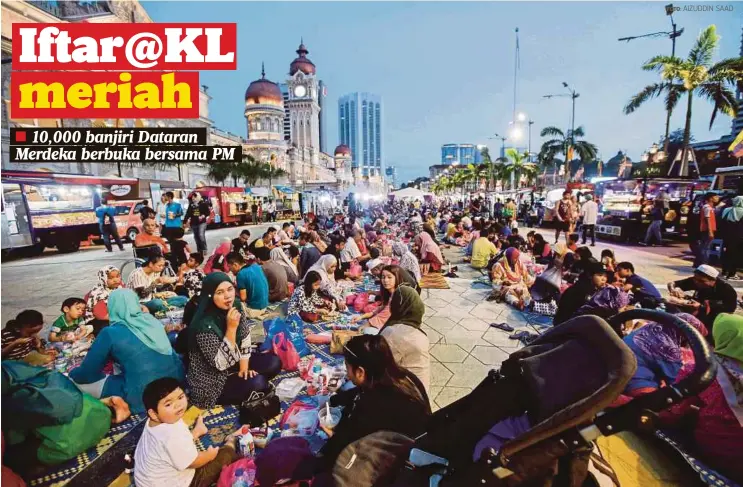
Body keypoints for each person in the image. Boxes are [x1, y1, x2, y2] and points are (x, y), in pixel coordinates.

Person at [316, 334, 431, 471]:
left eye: (347, 368)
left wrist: (332, 436)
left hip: (402, 461)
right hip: (423, 441)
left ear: (360, 372)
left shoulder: (371, 407)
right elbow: (356, 393)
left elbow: (346, 446)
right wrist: (333, 400)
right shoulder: (403, 376)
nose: (347, 374)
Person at [69, 289, 185, 414]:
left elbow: (86, 374)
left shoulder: (110, 333)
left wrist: (72, 373)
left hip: (142, 397)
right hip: (176, 384)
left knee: (75, 382)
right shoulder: (152, 321)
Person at [186, 273, 281, 409]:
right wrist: (231, 328)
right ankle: (236, 383)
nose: (228, 296)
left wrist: (244, 369)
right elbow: (221, 364)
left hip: (233, 361)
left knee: (274, 363)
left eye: (230, 289)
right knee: (259, 383)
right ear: (209, 295)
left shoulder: (235, 304)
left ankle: (238, 377)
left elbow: (245, 337)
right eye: (220, 292)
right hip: (212, 378)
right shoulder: (204, 324)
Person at [134, 378, 241, 487]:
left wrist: (193, 434)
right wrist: (209, 456)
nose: (178, 405)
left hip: (145, 481)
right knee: (226, 455)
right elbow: (193, 462)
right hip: (178, 483)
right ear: (153, 413)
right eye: (168, 404)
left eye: (180, 397)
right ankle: (231, 440)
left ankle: (197, 431)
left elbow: (171, 446)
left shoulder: (154, 422)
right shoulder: (172, 434)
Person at [379, 287, 431, 393]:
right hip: (419, 391)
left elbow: (377, 363)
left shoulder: (393, 332)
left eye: (394, 300)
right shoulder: (417, 331)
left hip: (406, 395)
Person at [667, 265, 738, 331]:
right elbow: (672, 283)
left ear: (713, 280)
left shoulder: (726, 290)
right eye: (695, 279)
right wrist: (673, 289)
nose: (697, 282)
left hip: (714, 318)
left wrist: (702, 307)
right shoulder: (696, 280)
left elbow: (730, 308)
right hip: (696, 309)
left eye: (701, 281)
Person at [353, 265, 413, 330]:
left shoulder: (398, 296)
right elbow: (380, 309)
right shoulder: (391, 293)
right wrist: (361, 317)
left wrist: (365, 325)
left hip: (402, 328)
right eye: (383, 277)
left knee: (368, 331)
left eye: (389, 277)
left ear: (397, 278)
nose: (385, 280)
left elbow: (383, 315)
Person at [226, 252, 272, 318]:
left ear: (235, 265)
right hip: (265, 305)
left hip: (253, 311)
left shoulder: (240, 274)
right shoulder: (256, 266)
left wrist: (233, 290)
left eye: (230, 268)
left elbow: (243, 298)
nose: (230, 271)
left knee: (230, 300)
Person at [84, 265, 124, 334]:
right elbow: (101, 315)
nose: (115, 280)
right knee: (110, 329)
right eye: (111, 278)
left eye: (117, 276)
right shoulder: (98, 294)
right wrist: (122, 317)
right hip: (99, 320)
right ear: (103, 279)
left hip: (115, 315)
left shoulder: (120, 287)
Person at [720, 195, 743, 280]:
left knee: (726, 253)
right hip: (739, 237)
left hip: (727, 236)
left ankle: (724, 271)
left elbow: (721, 222)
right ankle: (732, 274)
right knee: (735, 255)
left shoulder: (726, 210)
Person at [694, 192, 720, 268]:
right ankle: (704, 264)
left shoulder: (709, 207)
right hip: (707, 230)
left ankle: (698, 263)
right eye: (716, 197)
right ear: (710, 198)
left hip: (707, 230)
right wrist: (710, 231)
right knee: (706, 248)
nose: (717, 198)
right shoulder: (707, 208)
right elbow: (707, 219)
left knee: (704, 247)